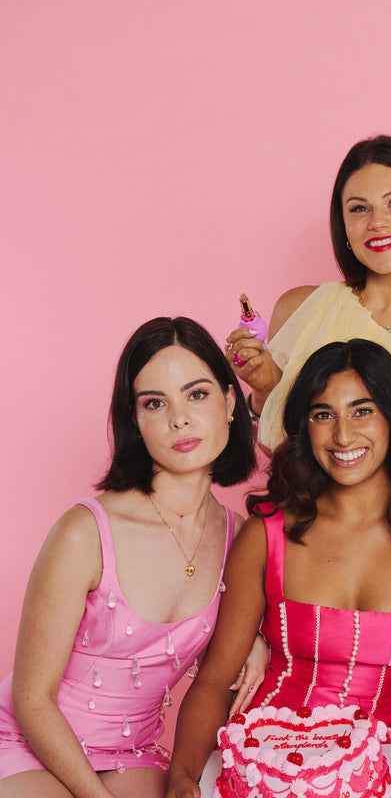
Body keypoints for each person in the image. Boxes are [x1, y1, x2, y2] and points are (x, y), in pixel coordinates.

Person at [166, 340, 391, 798]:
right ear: (305, 427)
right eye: (323, 414)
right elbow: (215, 680)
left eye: (362, 411)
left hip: (389, 769)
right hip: (262, 766)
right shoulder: (267, 533)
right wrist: (182, 777)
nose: (343, 436)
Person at [0, 317, 263, 798]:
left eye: (197, 394)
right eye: (154, 403)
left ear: (230, 403)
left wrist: (255, 639)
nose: (179, 419)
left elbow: (224, 658)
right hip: (27, 741)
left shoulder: (239, 537)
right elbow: (32, 698)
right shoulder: (84, 532)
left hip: (132, 752)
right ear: (135, 422)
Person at [225, 134, 391, 495]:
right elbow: (281, 453)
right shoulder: (300, 308)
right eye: (359, 208)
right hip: (313, 522)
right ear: (343, 225)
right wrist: (262, 391)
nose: (378, 222)